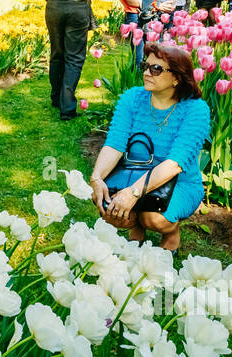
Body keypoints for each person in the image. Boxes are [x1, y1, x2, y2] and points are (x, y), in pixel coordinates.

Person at [88, 41, 211, 252]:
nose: (147, 72)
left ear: (177, 78)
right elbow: (114, 144)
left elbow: (175, 164)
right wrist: (97, 178)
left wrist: (132, 193)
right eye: (146, 66)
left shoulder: (195, 110)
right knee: (110, 210)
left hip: (179, 182)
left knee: (153, 216)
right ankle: (136, 226)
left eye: (156, 69)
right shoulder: (132, 99)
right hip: (133, 173)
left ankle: (171, 231)